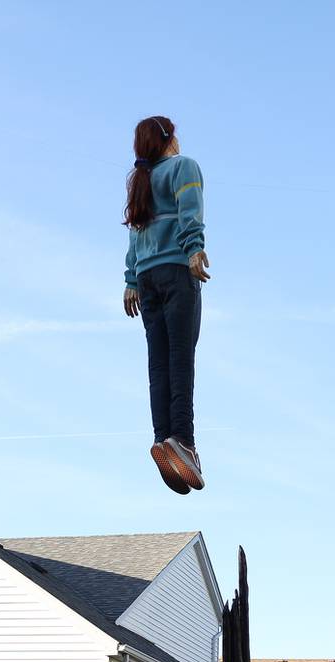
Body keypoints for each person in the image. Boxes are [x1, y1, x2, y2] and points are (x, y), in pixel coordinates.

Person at [122, 114, 209, 495]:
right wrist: (194, 248)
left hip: (146, 280)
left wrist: (129, 281)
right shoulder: (182, 167)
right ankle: (183, 442)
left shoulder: (139, 182)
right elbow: (190, 208)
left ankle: (163, 440)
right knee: (180, 358)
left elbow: (134, 237)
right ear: (168, 139)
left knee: (158, 363)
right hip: (176, 271)